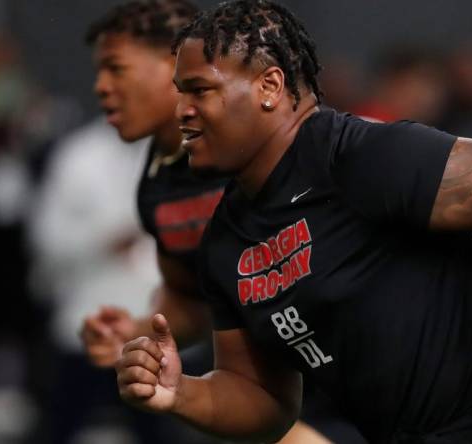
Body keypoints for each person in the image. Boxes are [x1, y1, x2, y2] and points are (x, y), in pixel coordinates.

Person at [115, 1, 472, 443]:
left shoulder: (359, 155)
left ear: (270, 86)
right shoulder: (226, 240)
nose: (180, 110)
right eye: (179, 92)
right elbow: (265, 400)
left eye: (198, 90)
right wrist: (180, 392)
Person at [78, 1, 361, 443]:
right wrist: (136, 334)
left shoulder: (270, 147)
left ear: (170, 63)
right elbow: (192, 298)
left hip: (356, 378)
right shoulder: (157, 182)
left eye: (115, 68)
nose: (101, 87)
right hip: (277, 392)